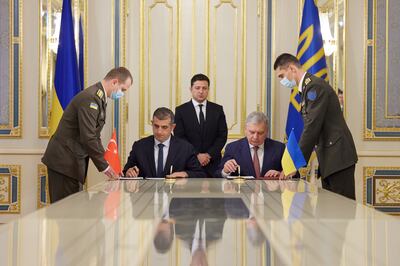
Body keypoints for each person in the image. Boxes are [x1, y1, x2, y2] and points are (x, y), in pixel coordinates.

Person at [42, 67, 133, 203]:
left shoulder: (98, 98)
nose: (122, 94)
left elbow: (95, 137)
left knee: (73, 212)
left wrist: (107, 162)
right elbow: (88, 137)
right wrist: (106, 167)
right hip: (64, 162)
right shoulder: (91, 98)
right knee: (65, 213)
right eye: (123, 90)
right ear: (114, 82)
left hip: (71, 162)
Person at [274, 53, 358, 200]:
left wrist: (294, 164)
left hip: (338, 157)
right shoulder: (307, 89)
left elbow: (312, 127)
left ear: (292, 68)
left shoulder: (314, 87)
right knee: (332, 209)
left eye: (281, 76)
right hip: (330, 156)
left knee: (342, 209)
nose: (282, 81)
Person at [123, 107, 206, 178]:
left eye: (164, 127)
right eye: (156, 126)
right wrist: (129, 172)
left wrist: (185, 174)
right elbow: (126, 170)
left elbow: (200, 174)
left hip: (174, 193)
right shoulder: (139, 146)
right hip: (146, 194)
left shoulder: (185, 148)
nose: (159, 131)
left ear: (173, 127)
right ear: (152, 124)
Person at [174, 74, 228, 177]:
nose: (201, 91)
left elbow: (222, 135)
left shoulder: (218, 109)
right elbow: (179, 137)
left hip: (213, 162)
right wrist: (197, 155)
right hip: (190, 162)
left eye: (204, 88)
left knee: (215, 191)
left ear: (208, 89)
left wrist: (208, 155)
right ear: (191, 89)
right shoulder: (181, 110)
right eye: (197, 88)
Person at [216, 111, 285, 178]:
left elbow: (293, 172)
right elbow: (218, 174)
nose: (255, 137)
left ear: (267, 132)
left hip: (270, 189)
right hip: (242, 189)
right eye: (252, 132)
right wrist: (225, 171)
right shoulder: (232, 148)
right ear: (245, 130)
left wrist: (281, 173)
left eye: (260, 133)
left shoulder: (279, 148)